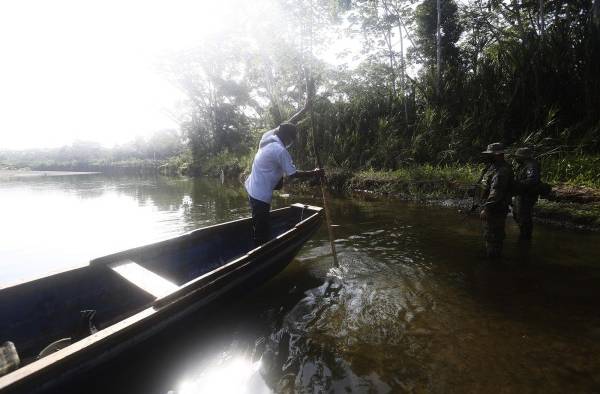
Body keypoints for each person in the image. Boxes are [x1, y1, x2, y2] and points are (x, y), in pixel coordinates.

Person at [245, 106, 323, 245]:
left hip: (252, 188)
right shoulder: (280, 151)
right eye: (291, 139)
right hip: (260, 195)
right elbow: (293, 175)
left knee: (260, 222)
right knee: (262, 231)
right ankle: (261, 253)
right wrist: (314, 172)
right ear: (287, 137)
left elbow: (287, 123)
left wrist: (305, 109)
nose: (291, 142)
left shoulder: (268, 137)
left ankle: (260, 242)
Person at [479, 142, 514, 258]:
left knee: (493, 237)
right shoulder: (495, 167)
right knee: (491, 235)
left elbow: (496, 192)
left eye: (491, 154)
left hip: (496, 209)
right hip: (495, 208)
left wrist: (487, 209)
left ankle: (493, 264)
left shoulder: (502, 171)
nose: (488, 156)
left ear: (498, 155)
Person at [512, 147, 541, 241]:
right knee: (517, 214)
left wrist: (517, 185)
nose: (516, 158)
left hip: (527, 195)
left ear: (523, 157)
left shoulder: (531, 165)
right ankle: (523, 234)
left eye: (518, 157)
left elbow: (532, 180)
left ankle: (525, 237)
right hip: (521, 193)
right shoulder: (523, 165)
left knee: (523, 216)